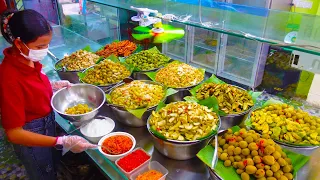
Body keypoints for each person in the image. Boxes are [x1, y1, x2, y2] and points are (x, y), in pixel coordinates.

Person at [0, 9, 96, 180]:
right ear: (19, 43)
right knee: (42, 173)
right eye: (40, 46)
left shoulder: (29, 59)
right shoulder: (7, 78)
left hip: (48, 123)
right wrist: (60, 141)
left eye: (47, 45)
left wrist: (51, 86)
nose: (44, 51)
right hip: (31, 136)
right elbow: (14, 133)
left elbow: (29, 89)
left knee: (52, 166)